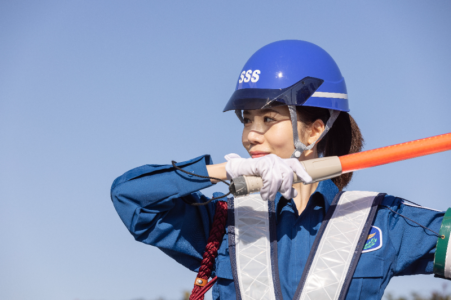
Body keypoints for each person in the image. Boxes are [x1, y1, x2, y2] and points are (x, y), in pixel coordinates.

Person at [111, 40, 446, 300]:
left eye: (269, 119)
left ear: (315, 131)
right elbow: (131, 198)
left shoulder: (381, 219)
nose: (250, 135)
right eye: (247, 120)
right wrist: (225, 171)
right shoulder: (222, 222)